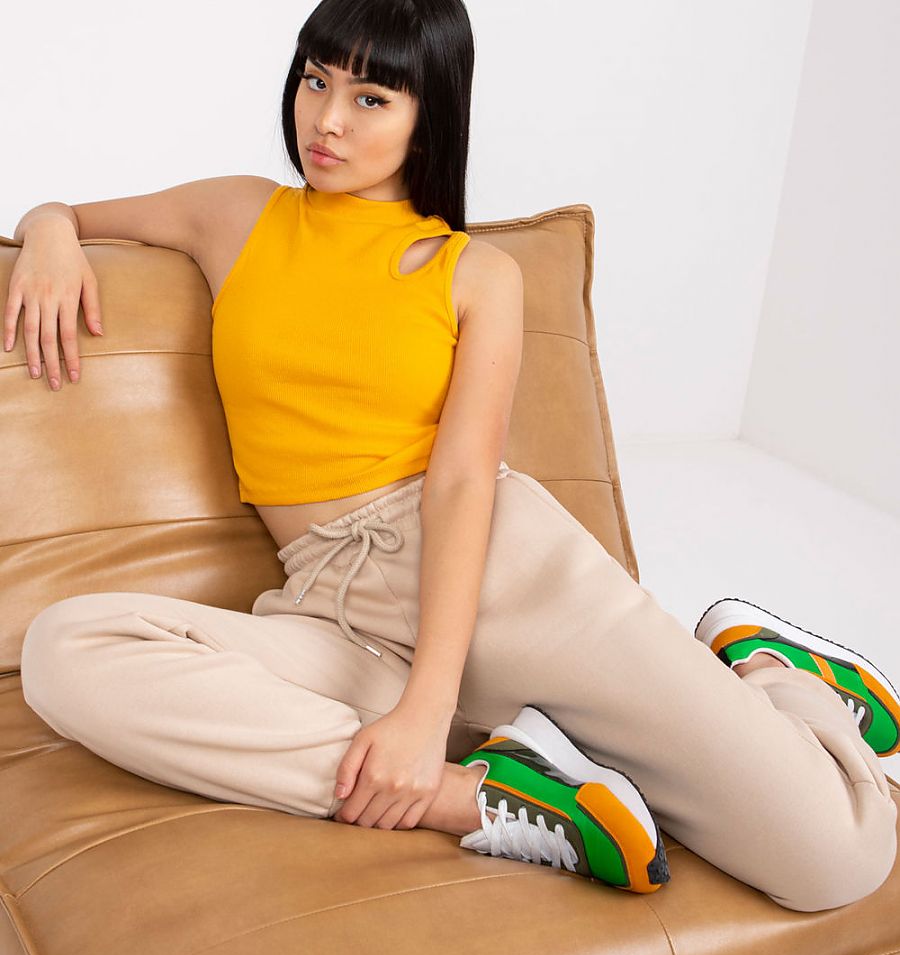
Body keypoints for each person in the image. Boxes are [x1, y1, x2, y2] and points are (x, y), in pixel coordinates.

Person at [7, 0, 898, 905]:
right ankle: (476, 797)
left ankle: (775, 674)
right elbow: (60, 211)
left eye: (371, 98)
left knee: (836, 861)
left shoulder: (473, 273)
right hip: (332, 608)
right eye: (316, 80)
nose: (326, 119)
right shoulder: (234, 214)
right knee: (68, 649)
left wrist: (427, 709)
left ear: (428, 113)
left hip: (507, 588)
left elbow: (464, 482)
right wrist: (46, 232)